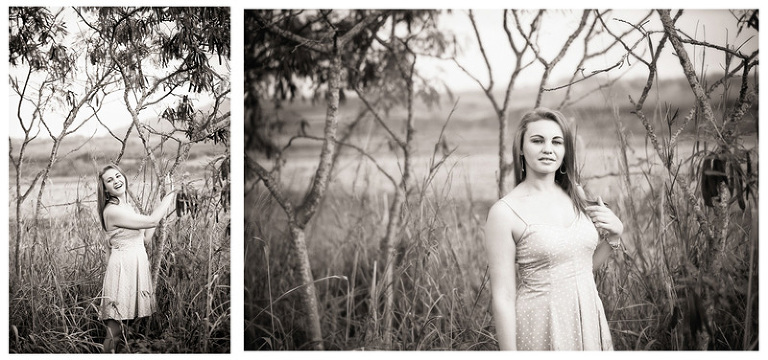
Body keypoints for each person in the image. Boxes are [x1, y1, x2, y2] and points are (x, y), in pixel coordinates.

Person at [484, 108, 624, 350]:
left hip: (588, 319)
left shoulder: (576, 195)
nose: (548, 148)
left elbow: (581, 268)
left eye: (556, 142)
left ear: (565, 150)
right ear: (521, 148)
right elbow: (504, 297)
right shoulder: (504, 212)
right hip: (541, 325)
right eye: (537, 141)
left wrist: (614, 236)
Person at [96, 164, 178, 353]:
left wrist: (159, 206)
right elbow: (151, 221)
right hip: (122, 269)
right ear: (106, 190)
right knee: (115, 331)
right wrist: (169, 196)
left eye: (118, 176)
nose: (116, 181)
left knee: (129, 328)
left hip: (135, 265)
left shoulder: (126, 206)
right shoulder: (112, 210)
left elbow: (145, 238)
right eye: (110, 180)